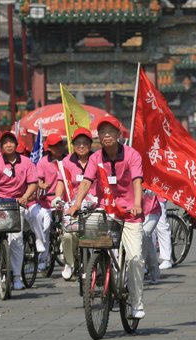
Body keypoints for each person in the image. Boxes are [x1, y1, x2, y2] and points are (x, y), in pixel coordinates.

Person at [67, 116, 146, 319]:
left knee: (135, 258)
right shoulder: (95, 158)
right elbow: (86, 182)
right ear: (98, 137)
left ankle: (136, 303)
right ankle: (99, 269)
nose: (107, 135)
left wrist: (137, 204)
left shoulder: (131, 155)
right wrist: (76, 204)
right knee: (89, 238)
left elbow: (137, 181)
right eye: (103, 132)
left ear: (118, 135)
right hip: (107, 210)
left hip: (130, 212)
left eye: (111, 131)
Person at [0, 131, 37, 290]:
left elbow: (33, 183)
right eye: (5, 143)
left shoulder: (26, 162)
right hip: (0, 203)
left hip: (18, 203)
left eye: (11, 142)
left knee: (16, 239)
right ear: (2, 147)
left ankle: (17, 277)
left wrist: (25, 196)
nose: (8, 145)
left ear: (16, 145)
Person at [53, 128, 96, 280]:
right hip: (73, 206)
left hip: (95, 206)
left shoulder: (97, 159)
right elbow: (61, 181)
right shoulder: (67, 162)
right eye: (78, 143)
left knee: (101, 235)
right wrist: (58, 197)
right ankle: (70, 262)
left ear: (91, 145)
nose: (81, 146)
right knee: (68, 236)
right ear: (72, 145)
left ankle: (100, 263)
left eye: (85, 143)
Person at [34, 133, 66, 271]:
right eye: (55, 146)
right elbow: (38, 180)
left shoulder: (68, 160)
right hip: (47, 201)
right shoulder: (43, 162)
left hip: (64, 201)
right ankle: (44, 257)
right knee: (45, 228)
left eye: (60, 144)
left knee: (69, 227)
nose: (58, 148)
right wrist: (42, 185)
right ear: (49, 148)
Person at [142, 189, 161, 284]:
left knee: (144, 236)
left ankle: (139, 272)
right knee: (147, 240)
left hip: (152, 212)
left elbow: (157, 189)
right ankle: (155, 274)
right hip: (132, 214)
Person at [153, 196, 173, 270]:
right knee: (149, 230)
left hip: (158, 196)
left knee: (161, 227)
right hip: (144, 196)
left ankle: (166, 259)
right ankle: (151, 260)